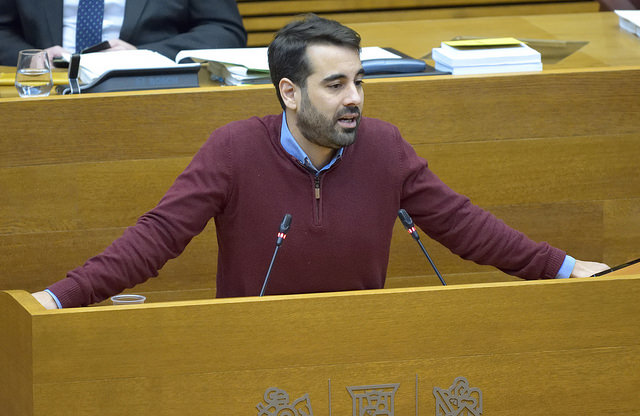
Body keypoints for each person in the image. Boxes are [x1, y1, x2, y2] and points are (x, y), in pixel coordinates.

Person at [31, 14, 608, 309]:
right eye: (335, 85)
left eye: (359, 81)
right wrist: (56, 299)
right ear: (288, 92)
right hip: (248, 355)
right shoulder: (233, 149)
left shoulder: (384, 147)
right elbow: (154, 241)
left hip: (361, 352)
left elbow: (465, 226)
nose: (355, 98)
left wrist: (563, 268)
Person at [0, 0, 247, 66]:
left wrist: (146, 56)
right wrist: (30, 59)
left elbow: (224, 30)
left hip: (146, 92)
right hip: (47, 89)